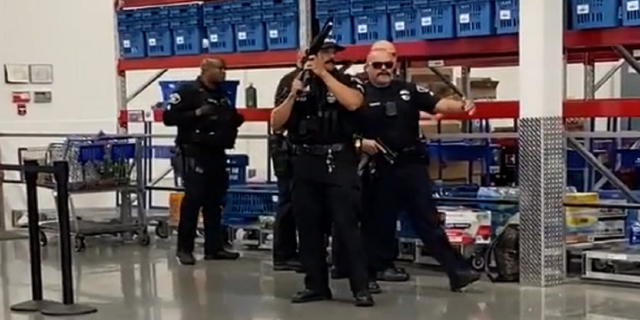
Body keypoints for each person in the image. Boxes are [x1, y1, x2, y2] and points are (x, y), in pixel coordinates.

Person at [359, 50, 480, 291]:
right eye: (377, 65)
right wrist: (360, 142)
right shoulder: (358, 95)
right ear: (367, 67)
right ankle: (372, 272)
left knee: (428, 220)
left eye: (388, 64)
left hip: (411, 166)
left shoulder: (408, 90)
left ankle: (458, 271)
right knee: (378, 224)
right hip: (380, 168)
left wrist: (462, 106)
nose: (383, 69)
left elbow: (437, 103)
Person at [270, 38, 374, 307]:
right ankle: (315, 285)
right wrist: (294, 93)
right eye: (323, 52)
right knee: (308, 228)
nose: (329, 56)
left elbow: (353, 103)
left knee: (346, 226)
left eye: (331, 53)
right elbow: (276, 124)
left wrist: (324, 75)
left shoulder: (346, 80)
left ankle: (360, 287)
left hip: (338, 160)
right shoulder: (291, 81)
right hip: (304, 161)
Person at [163, 58, 245, 265]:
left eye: (225, 69)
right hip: (193, 152)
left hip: (216, 152)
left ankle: (214, 247)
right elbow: (168, 117)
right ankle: (184, 249)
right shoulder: (188, 91)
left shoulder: (221, 94)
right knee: (194, 200)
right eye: (220, 69)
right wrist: (196, 113)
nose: (224, 73)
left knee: (214, 201)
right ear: (205, 69)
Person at [270, 53, 305, 271]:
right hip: (288, 150)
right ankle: (283, 254)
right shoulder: (290, 81)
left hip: (299, 152)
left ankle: (296, 252)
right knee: (288, 203)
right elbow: (279, 119)